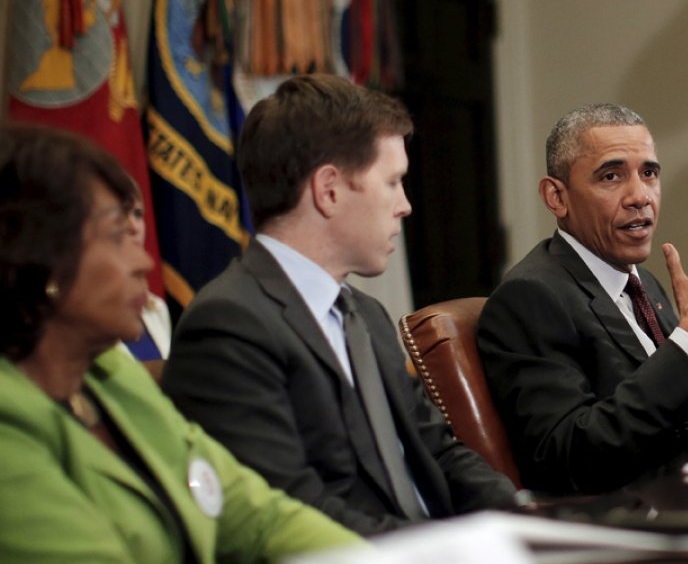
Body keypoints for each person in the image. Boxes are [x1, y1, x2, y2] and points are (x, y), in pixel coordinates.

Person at [0, 124, 360, 564]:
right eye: (118, 236)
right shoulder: (8, 428)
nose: (145, 262)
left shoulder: (108, 374)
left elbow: (259, 516)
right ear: (43, 262)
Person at [163, 75, 518, 536]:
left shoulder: (363, 315)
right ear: (328, 190)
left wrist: (526, 517)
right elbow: (291, 508)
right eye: (392, 182)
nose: (406, 205)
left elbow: (436, 450)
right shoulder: (229, 324)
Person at [477, 103, 688, 495]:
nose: (640, 196)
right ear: (557, 197)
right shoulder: (532, 297)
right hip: (640, 530)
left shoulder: (644, 285)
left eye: (649, 173)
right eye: (611, 176)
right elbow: (570, 458)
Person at [121, 192, 171, 370]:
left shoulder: (156, 308)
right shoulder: (79, 318)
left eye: (138, 214)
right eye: (121, 214)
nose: (134, 226)